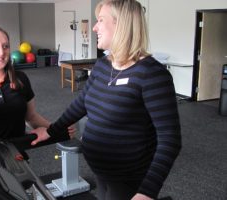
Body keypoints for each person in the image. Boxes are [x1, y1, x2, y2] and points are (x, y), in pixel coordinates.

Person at [30, 0, 182, 200]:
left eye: (100, 20)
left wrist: (147, 192)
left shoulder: (152, 74)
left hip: (129, 178)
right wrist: (51, 130)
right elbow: (81, 103)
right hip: (101, 170)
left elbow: (170, 140)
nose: (94, 27)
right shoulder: (103, 65)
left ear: (121, 25)